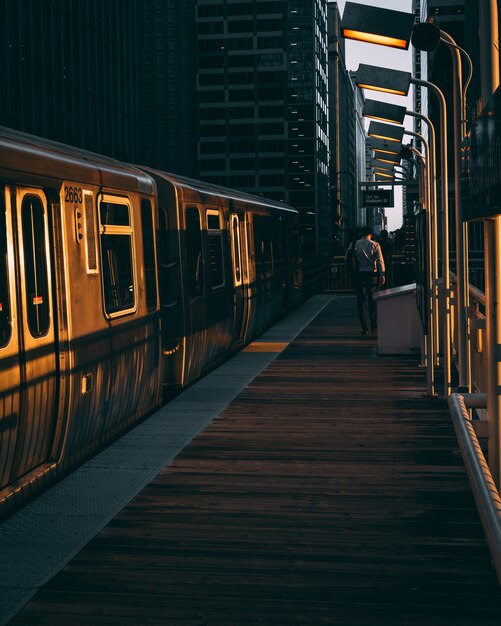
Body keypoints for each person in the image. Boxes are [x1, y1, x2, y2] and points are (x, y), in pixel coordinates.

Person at [345, 225, 385, 335]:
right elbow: (380, 261)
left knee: (361, 302)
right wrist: (382, 275)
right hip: (372, 276)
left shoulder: (354, 245)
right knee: (372, 300)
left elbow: (346, 259)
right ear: (371, 234)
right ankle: (373, 324)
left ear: (361, 233)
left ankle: (364, 328)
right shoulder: (375, 245)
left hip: (359, 276)